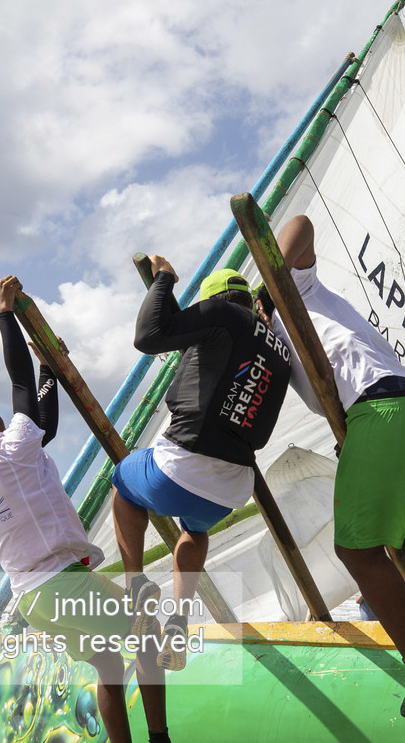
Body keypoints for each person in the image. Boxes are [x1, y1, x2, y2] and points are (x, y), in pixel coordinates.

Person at [0, 276, 187, 743]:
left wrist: (50, 367)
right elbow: (23, 397)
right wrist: (5, 315)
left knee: (106, 661)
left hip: (32, 597)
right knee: (150, 635)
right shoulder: (7, 449)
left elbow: (42, 423)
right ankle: (159, 742)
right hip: (60, 582)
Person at [270, 214, 405, 718]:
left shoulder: (291, 292)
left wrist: (272, 284)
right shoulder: (273, 345)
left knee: (355, 548)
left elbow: (301, 224)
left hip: (381, 410)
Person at [114, 259, 292, 668]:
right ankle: (178, 619)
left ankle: (135, 584)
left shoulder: (222, 315)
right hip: (230, 491)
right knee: (194, 530)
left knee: (122, 482)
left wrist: (164, 278)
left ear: (212, 302)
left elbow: (148, 335)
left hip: (178, 470)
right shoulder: (279, 348)